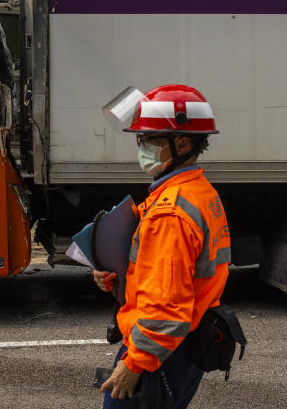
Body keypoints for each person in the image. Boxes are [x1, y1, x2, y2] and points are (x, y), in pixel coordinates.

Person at [94, 84, 231, 409]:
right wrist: (118, 277)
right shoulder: (200, 192)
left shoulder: (171, 211)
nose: (140, 146)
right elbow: (179, 275)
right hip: (182, 344)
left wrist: (135, 363)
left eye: (147, 139)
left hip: (159, 350)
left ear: (181, 143)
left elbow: (168, 303)